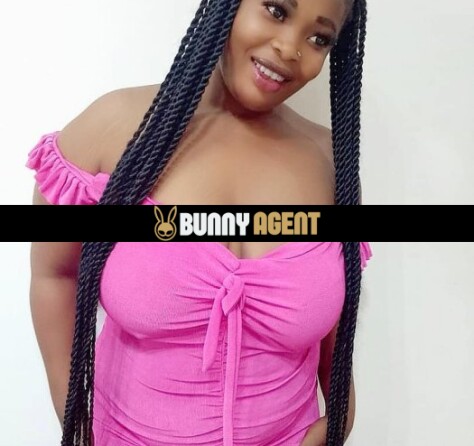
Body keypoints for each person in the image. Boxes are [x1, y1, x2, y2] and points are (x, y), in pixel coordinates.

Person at [26, 0, 371, 445]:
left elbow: (334, 332)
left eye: (319, 37)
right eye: (276, 10)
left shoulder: (331, 163)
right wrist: (78, 426)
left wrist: (336, 423)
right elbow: (55, 275)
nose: (290, 48)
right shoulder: (115, 130)